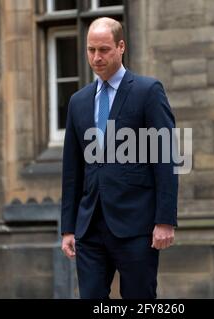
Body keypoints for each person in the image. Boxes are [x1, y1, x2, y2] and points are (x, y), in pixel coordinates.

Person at [60, 17, 178, 299]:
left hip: (136, 225)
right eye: (91, 50)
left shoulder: (147, 91)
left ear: (121, 46)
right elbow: (72, 170)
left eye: (104, 50)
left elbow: (166, 158)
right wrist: (68, 227)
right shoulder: (78, 101)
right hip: (89, 228)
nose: (96, 57)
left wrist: (165, 220)